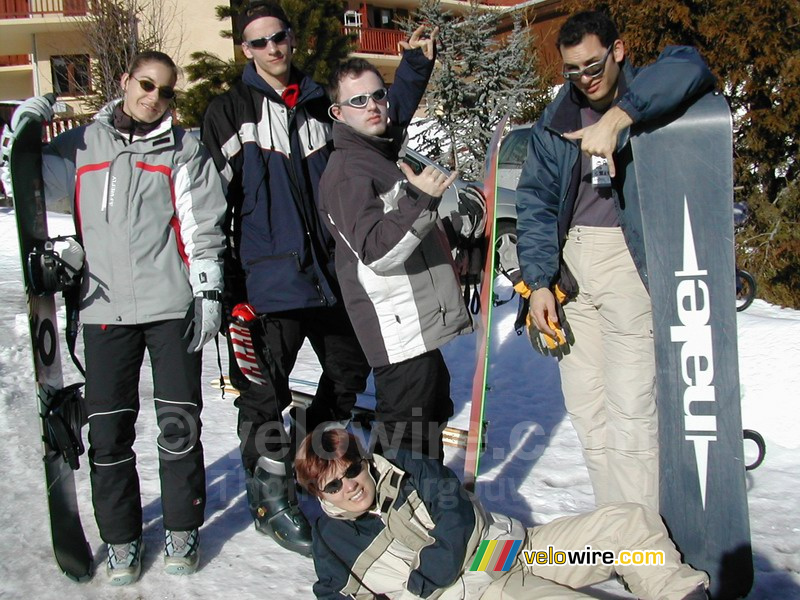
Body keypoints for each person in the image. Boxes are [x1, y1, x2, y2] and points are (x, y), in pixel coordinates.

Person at [201, 1, 437, 554]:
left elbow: (377, 117)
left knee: (346, 379)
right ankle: (270, 501)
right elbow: (209, 208)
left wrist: (413, 70)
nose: (272, 49)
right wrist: (227, 289)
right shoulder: (228, 112)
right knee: (263, 395)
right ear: (245, 49)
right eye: (259, 42)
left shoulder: (318, 103)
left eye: (278, 37)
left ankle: (321, 470)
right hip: (268, 286)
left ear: (290, 37)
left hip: (332, 277)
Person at [3, 51, 226, 584]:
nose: (154, 97)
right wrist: (21, 134)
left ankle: (182, 527)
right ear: (125, 81)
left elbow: (203, 222)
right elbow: (24, 186)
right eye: (146, 84)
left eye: (166, 91)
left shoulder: (184, 148)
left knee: (179, 426)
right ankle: (121, 537)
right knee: (108, 434)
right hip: (104, 310)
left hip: (171, 308)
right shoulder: (82, 145)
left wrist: (209, 288)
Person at [514, 10, 716, 509]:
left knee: (632, 412)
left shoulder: (647, 91)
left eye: (593, 64)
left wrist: (620, 116)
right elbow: (536, 204)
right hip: (572, 272)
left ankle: (647, 540)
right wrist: (539, 283)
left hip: (628, 263)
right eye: (573, 71)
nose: (585, 79)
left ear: (618, 50)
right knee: (589, 411)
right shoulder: (556, 122)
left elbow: (691, 65)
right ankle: (619, 526)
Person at [295, 428, 709, 599]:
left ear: (362, 460)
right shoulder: (331, 541)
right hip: (478, 593)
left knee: (628, 528)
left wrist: (423, 580)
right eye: (334, 484)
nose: (349, 485)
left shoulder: (408, 469)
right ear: (320, 494)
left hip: (512, 552)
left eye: (351, 469)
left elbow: (457, 518)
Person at [319, 55, 471, 461]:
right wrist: (423, 198)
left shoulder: (378, 153)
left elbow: (408, 238)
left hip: (417, 329)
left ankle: (425, 511)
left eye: (378, 95)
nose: (371, 105)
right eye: (357, 101)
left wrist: (455, 239)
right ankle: (401, 518)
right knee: (408, 447)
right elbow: (377, 251)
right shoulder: (349, 171)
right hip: (398, 334)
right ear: (338, 112)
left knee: (425, 430)